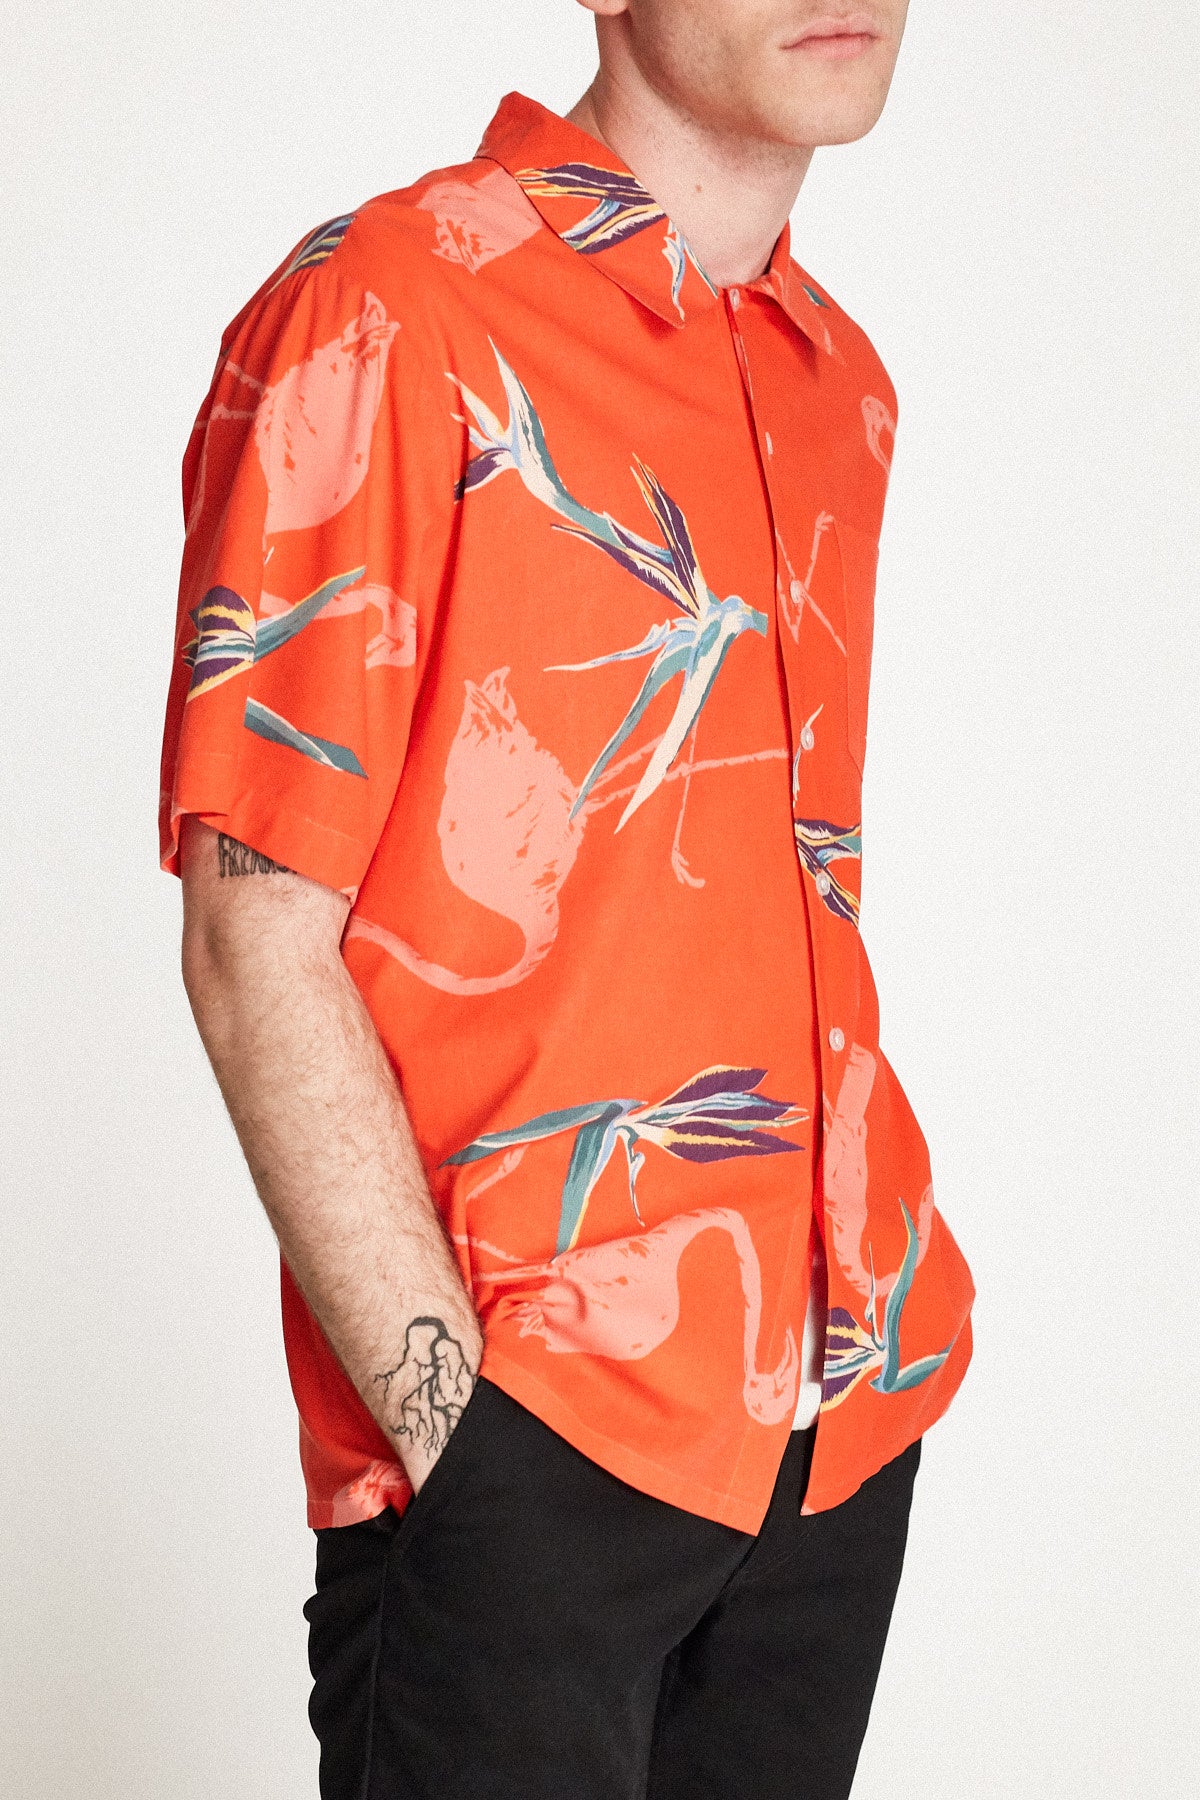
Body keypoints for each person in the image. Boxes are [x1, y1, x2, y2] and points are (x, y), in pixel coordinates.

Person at [160, 2, 976, 1794]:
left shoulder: (838, 381)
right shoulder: (391, 307)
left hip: (836, 1428)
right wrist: (464, 1439)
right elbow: (251, 933)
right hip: (534, 1444)